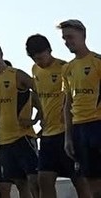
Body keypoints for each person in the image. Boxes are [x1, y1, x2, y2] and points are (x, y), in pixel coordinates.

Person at [27, 33, 89, 197]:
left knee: (80, 181)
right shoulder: (35, 70)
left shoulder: (65, 68)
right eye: (35, 59)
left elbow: (74, 97)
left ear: (49, 50)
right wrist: (40, 116)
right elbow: (39, 96)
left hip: (67, 133)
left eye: (41, 58)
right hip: (48, 135)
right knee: (44, 179)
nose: (39, 62)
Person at [0, 41, 40, 198]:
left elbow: (40, 92)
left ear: (0, 54)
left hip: (23, 137)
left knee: (34, 180)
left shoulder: (16, 74)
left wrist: (36, 119)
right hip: (4, 141)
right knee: (19, 183)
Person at [60, 19, 101, 196]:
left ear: (83, 35)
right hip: (79, 128)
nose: (67, 41)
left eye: (70, 37)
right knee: (91, 182)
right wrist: (68, 137)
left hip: (98, 123)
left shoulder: (97, 61)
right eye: (64, 38)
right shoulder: (67, 68)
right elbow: (67, 103)